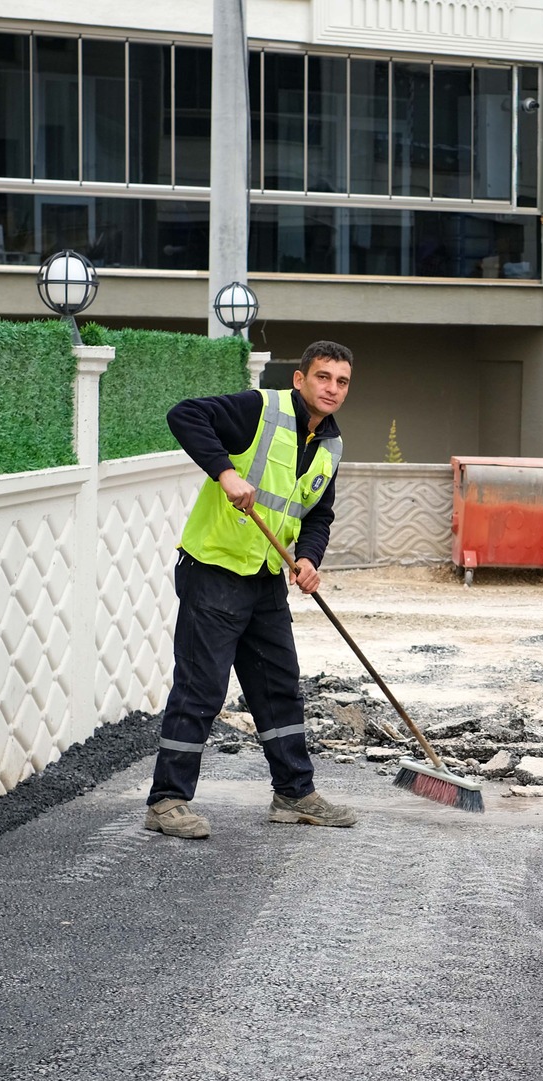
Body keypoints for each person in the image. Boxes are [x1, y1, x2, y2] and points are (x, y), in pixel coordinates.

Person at [144, 341, 358, 839]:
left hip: (263, 580)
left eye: (342, 381)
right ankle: (167, 801)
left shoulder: (331, 445)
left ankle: (294, 793)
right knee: (202, 687)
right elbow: (185, 416)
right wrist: (225, 474)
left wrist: (308, 558)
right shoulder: (260, 408)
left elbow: (318, 514)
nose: (331, 388)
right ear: (300, 379)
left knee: (278, 685)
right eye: (323, 377)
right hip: (214, 569)